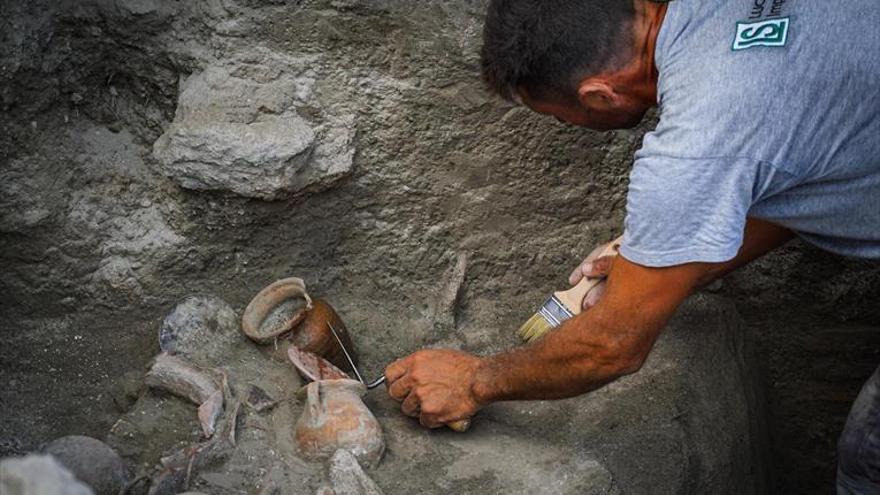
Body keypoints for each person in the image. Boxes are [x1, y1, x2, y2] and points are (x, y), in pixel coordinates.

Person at [383, 1, 880, 492]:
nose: (566, 126)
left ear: (599, 95)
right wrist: (674, 256)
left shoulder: (699, 141)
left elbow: (612, 346)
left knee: (867, 458)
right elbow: (805, 157)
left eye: (559, 118)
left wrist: (473, 382)